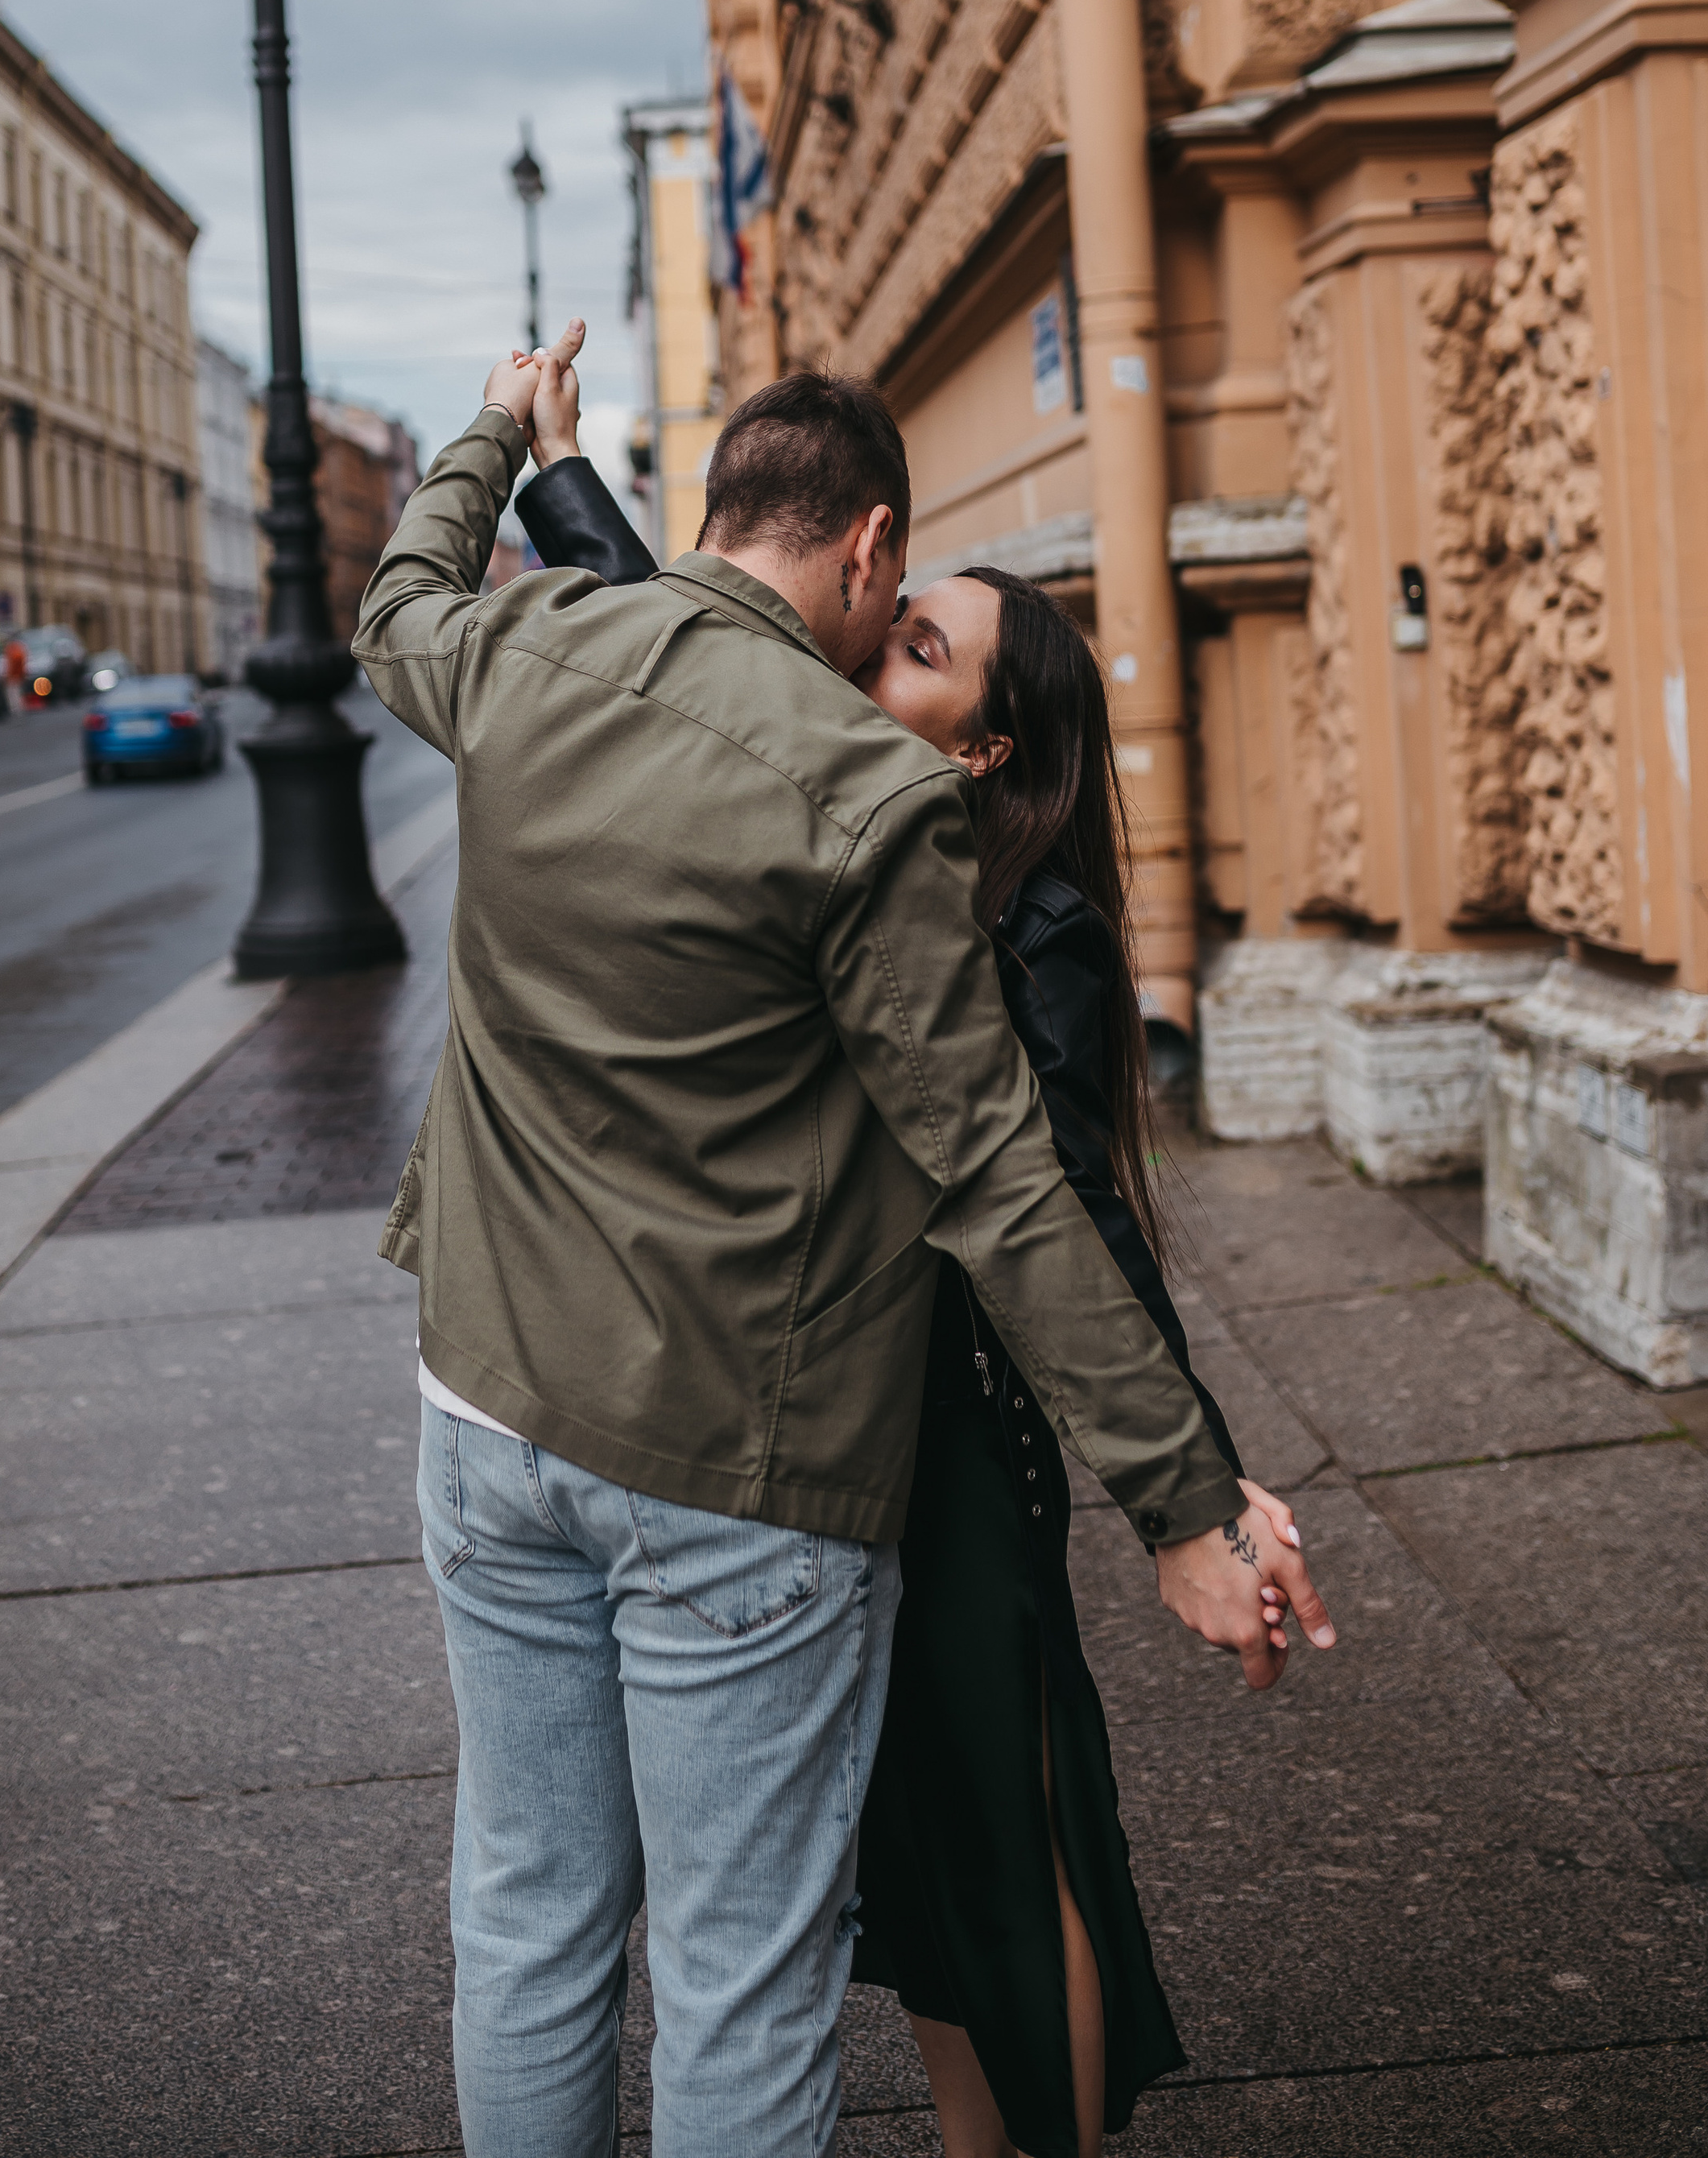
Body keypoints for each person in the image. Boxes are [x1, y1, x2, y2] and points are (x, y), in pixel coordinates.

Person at [352, 336, 1329, 2158]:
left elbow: (401, 591)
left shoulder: (517, 655)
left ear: (719, 504)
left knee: (527, 1913)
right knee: (737, 1969)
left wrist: (497, 431)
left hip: (484, 1412)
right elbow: (1001, 1184)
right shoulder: (868, 796)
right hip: (734, 1462)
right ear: (872, 543)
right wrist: (1183, 1507)